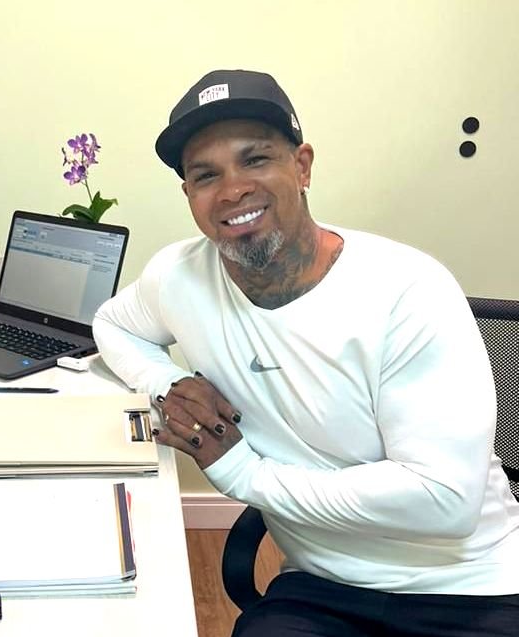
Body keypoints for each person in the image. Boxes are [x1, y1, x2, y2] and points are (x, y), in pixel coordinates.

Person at [93, 69, 519, 636]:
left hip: (473, 586)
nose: (232, 190)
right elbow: (112, 326)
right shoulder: (178, 276)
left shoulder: (408, 290)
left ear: (302, 166)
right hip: (320, 587)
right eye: (206, 174)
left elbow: (443, 502)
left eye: (255, 159)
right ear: (189, 195)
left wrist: (244, 474)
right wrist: (168, 387)